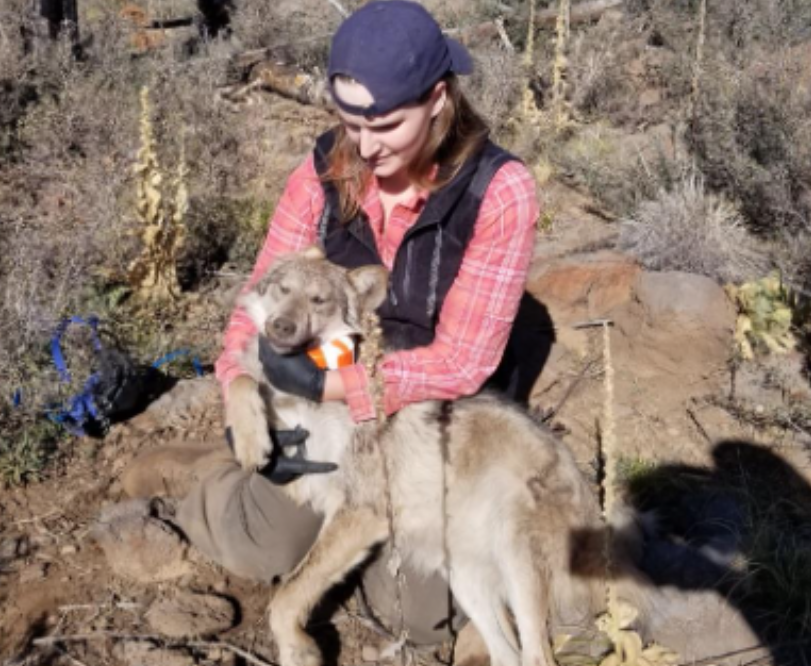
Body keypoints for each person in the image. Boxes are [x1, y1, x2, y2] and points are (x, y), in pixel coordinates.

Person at [164, 0, 541, 646]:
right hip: (326, 419)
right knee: (262, 546)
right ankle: (193, 484)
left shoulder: (498, 192)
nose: (365, 146)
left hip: (422, 417)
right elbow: (255, 303)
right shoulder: (322, 174)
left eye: (386, 125)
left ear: (438, 99)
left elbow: (461, 362)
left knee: (419, 611)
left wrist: (322, 384)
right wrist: (238, 390)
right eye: (350, 123)